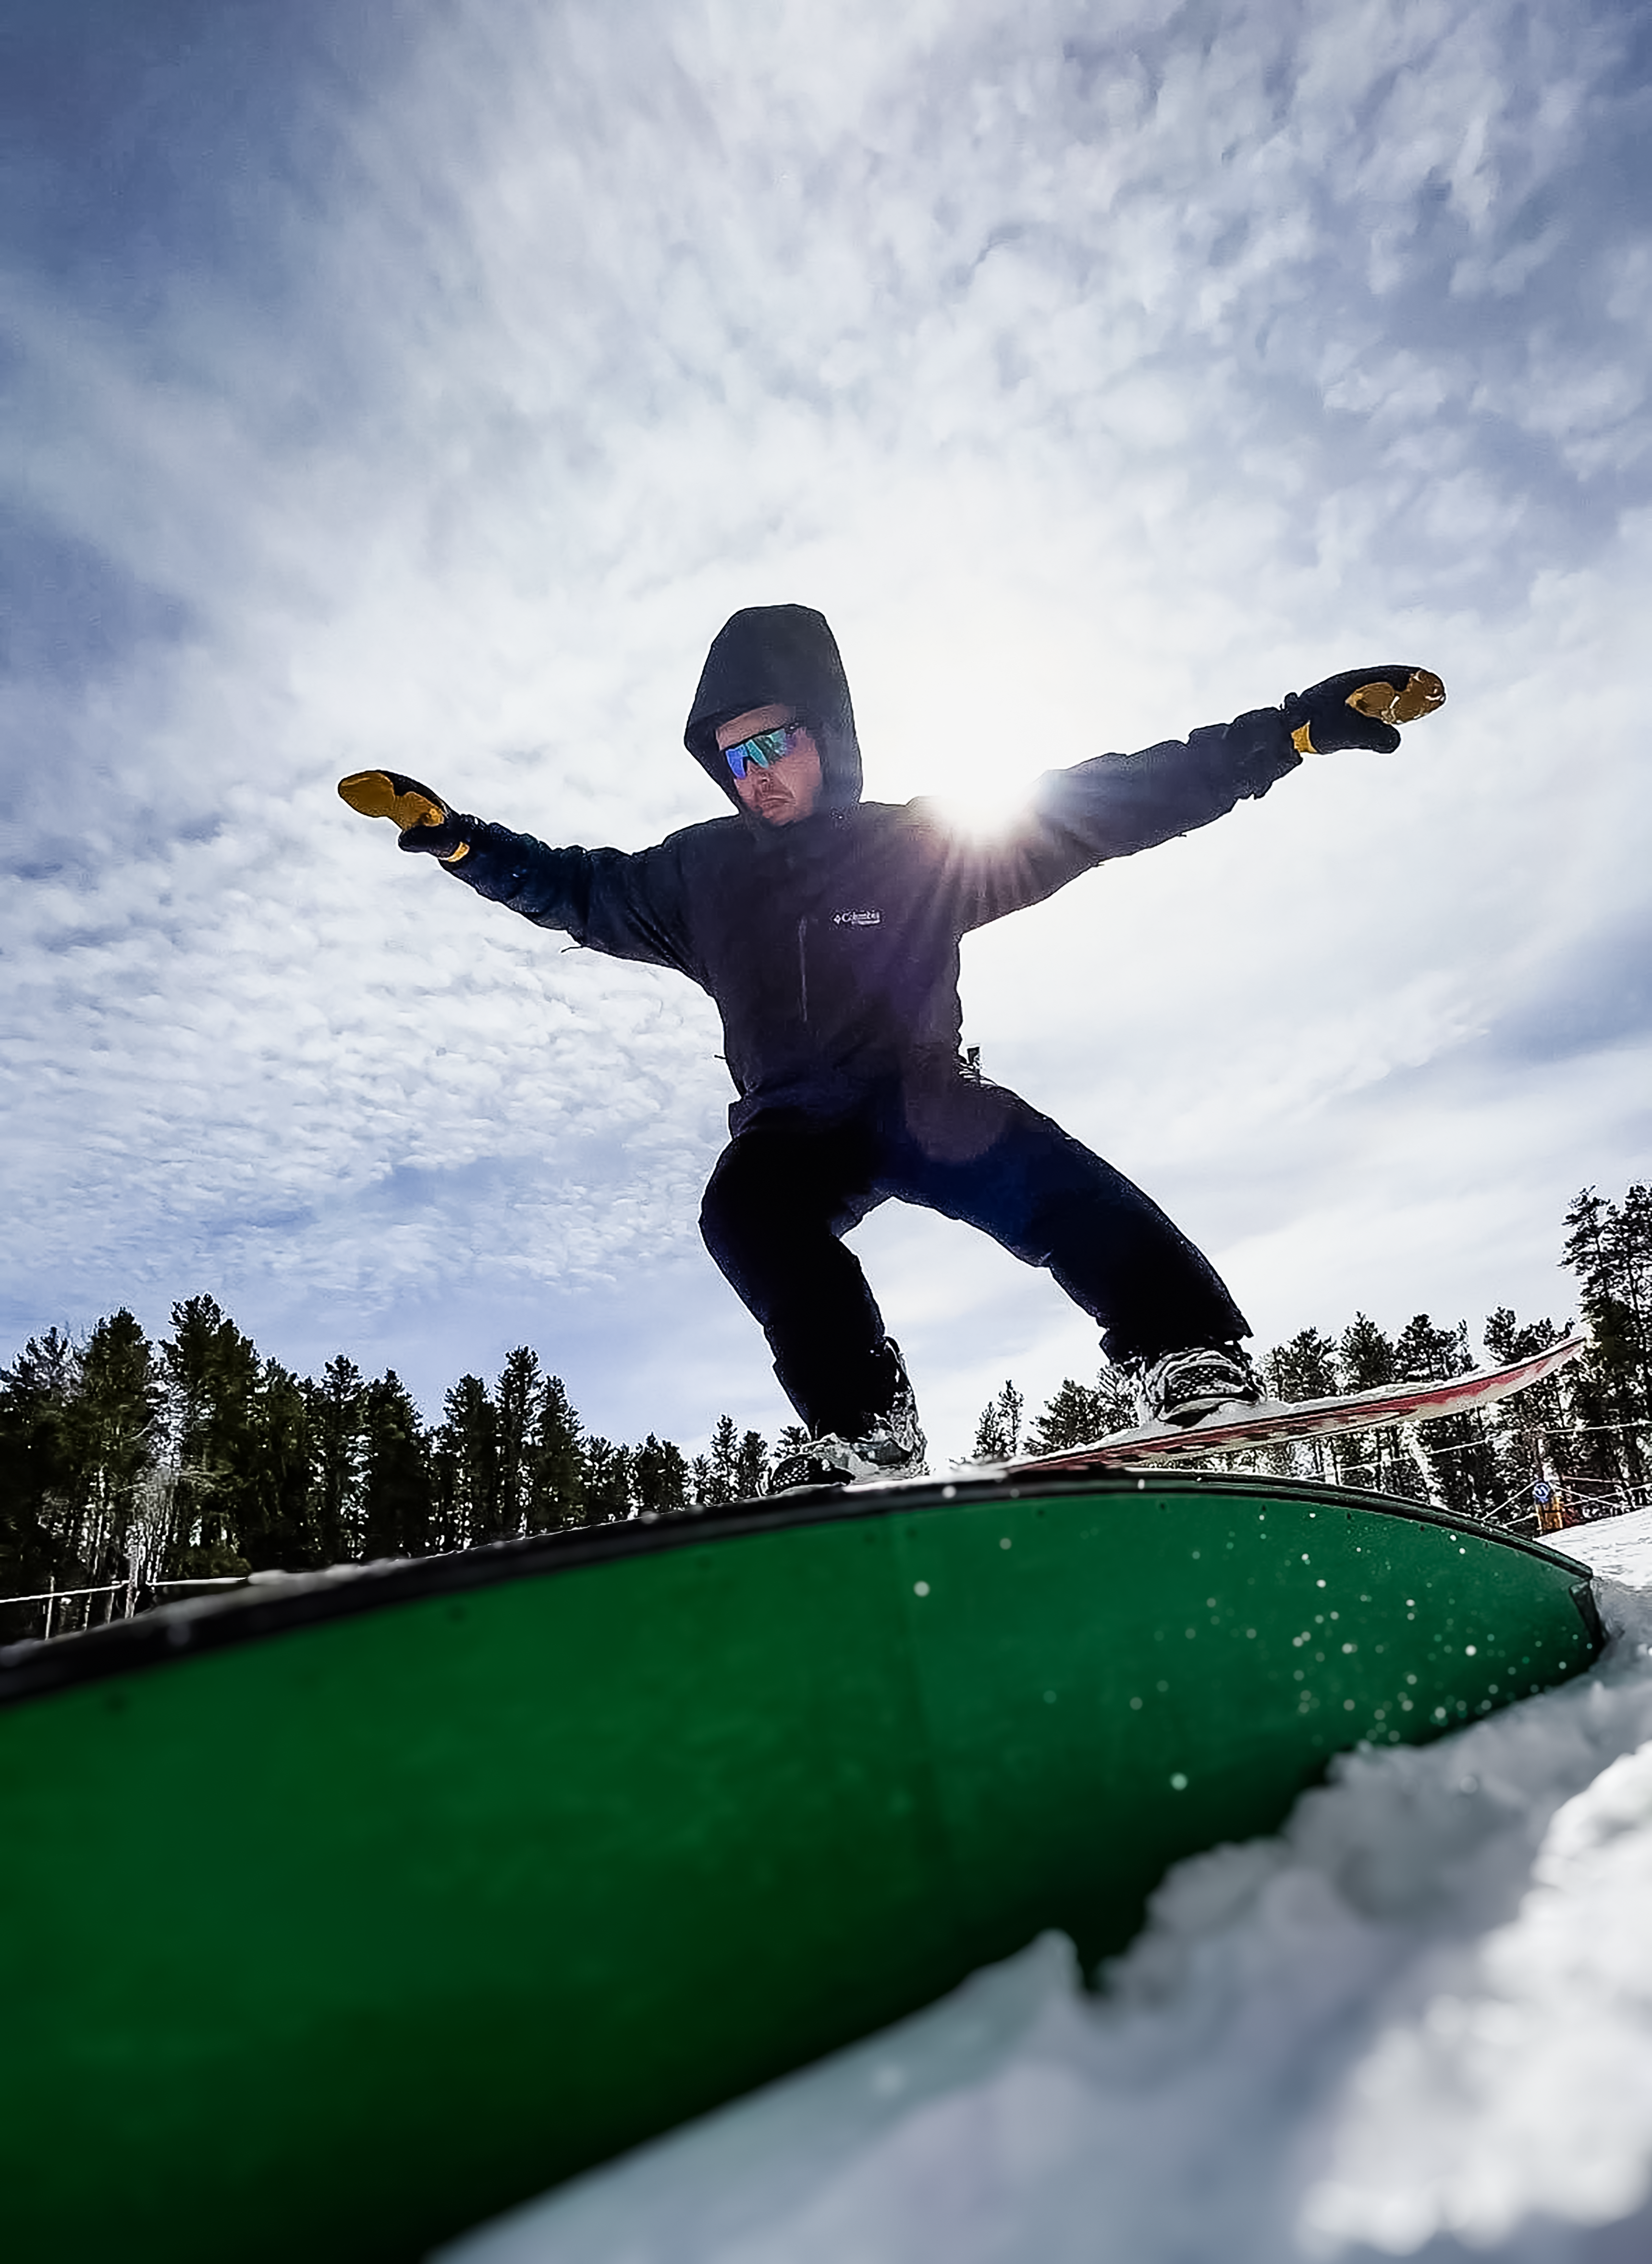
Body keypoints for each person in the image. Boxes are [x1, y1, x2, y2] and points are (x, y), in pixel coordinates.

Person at [341, 606, 1442, 1491]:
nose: (752, 776)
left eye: (770, 745)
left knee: (1042, 1179)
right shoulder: (696, 877)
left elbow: (1115, 800)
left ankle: (1185, 1352)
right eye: (731, 761)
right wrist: (459, 840)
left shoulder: (921, 847)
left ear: (826, 734)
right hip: (794, 1125)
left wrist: (1287, 734)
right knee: (744, 1211)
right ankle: (866, 1428)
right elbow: (574, 887)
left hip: (922, 1096)